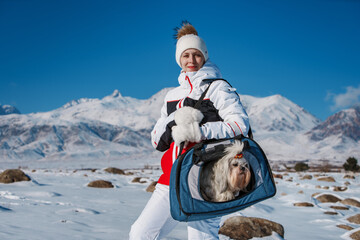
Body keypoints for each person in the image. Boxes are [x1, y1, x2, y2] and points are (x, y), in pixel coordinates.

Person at [129, 21, 250, 240]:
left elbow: (240, 125)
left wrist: (199, 131)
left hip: (207, 178)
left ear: (204, 56)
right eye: (186, 55)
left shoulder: (218, 88)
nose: (191, 60)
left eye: (196, 55)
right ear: (179, 59)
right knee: (141, 234)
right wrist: (176, 120)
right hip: (172, 177)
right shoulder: (171, 96)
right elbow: (157, 142)